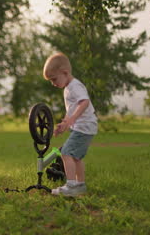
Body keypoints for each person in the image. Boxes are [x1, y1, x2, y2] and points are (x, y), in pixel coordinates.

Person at [42, 52, 98, 197]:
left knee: (66, 153)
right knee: (76, 157)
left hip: (84, 127)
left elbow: (84, 102)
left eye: (54, 79)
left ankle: (71, 186)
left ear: (65, 72)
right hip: (86, 127)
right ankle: (80, 185)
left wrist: (73, 119)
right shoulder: (68, 88)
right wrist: (65, 123)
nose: (53, 83)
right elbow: (71, 109)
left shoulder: (75, 86)